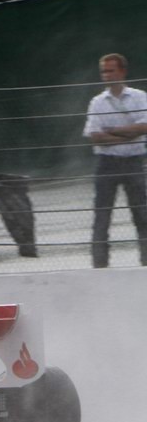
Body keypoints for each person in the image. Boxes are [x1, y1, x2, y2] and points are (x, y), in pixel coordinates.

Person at [82, 53, 147, 268]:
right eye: (103, 71)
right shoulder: (97, 102)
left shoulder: (139, 96)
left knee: (142, 214)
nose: (106, 75)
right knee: (102, 216)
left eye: (110, 71)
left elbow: (145, 126)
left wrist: (114, 131)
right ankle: (100, 266)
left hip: (134, 160)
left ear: (122, 71)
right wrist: (131, 133)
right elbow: (95, 137)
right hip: (107, 162)